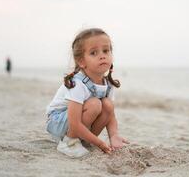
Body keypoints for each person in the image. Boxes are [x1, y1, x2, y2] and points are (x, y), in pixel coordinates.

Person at [46, 28, 129, 158]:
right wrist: (99, 143)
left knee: (107, 104)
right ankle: (69, 142)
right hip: (58, 122)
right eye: (94, 53)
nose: (102, 55)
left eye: (106, 51)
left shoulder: (108, 84)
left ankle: (82, 142)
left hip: (76, 123)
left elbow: (110, 115)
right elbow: (74, 123)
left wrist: (114, 136)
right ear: (81, 61)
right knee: (95, 104)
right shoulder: (77, 84)